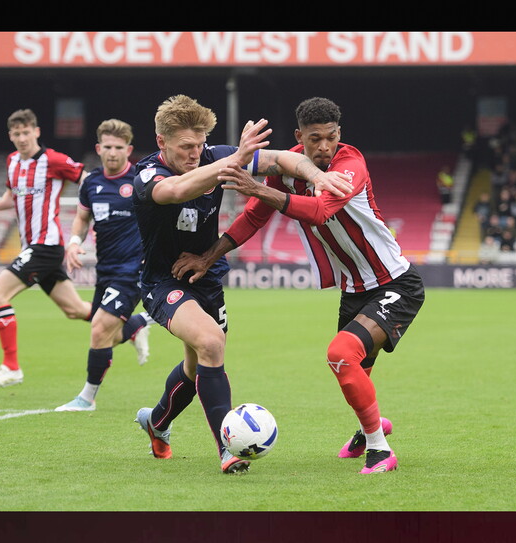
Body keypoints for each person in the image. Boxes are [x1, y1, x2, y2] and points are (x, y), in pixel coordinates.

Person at [172, 97, 426, 474]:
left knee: (341, 355)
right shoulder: (289, 166)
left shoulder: (350, 165)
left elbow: (321, 211)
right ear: (299, 137)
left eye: (331, 137)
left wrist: (259, 189)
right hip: (354, 290)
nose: (324, 146)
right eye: (314, 139)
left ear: (340, 134)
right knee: (354, 370)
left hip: (396, 283)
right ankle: (369, 428)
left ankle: (379, 449)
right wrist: (208, 257)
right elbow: (254, 217)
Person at [132, 95, 353, 475]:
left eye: (200, 145)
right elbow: (177, 191)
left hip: (205, 278)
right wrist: (233, 159)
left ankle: (156, 421)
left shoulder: (213, 156)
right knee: (211, 343)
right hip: (162, 281)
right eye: (186, 147)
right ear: (161, 142)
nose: (195, 153)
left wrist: (316, 177)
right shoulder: (147, 175)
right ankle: (228, 449)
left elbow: (284, 159)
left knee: (196, 365)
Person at [0, 108, 94, 389]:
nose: (21, 138)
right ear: (10, 135)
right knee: (75, 309)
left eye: (26, 132)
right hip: (34, 246)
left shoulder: (53, 160)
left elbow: (89, 180)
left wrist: (99, 208)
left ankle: (11, 367)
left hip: (46, 244)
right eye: (16, 134)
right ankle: (133, 326)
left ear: (36, 132)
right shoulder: (12, 161)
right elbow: (11, 196)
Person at [55, 119, 155, 411]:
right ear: (98, 149)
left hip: (134, 268)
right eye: (108, 147)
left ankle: (86, 399)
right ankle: (141, 322)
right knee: (108, 335)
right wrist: (74, 242)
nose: (113, 152)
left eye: (119, 147)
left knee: (99, 329)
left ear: (129, 150)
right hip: (106, 270)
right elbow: (82, 218)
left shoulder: (141, 179)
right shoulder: (91, 183)